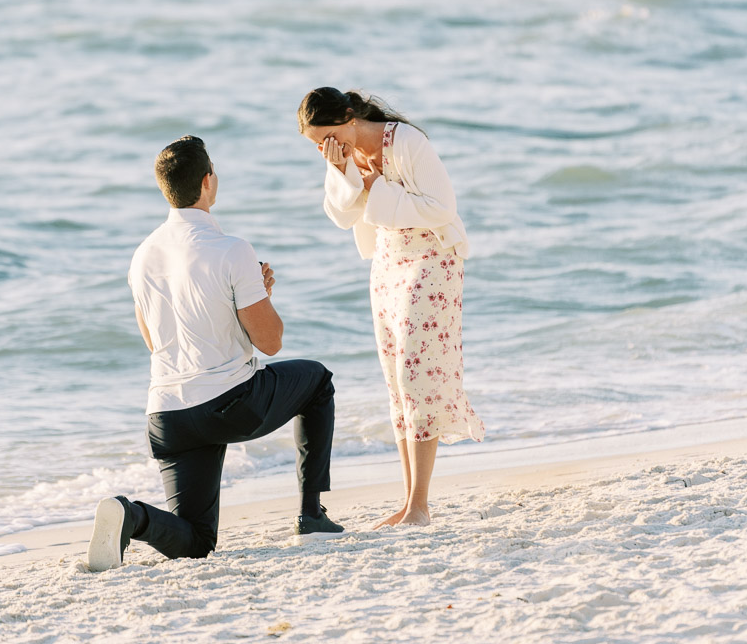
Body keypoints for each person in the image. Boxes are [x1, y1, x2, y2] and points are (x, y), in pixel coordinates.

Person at [87, 135, 343, 572]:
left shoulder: (142, 255)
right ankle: (311, 513)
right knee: (317, 381)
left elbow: (154, 340)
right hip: (230, 405)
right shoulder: (232, 249)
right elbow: (271, 342)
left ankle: (133, 516)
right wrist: (260, 296)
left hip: (167, 417)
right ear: (209, 182)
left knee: (198, 543)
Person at [297, 88, 484, 528]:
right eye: (317, 144)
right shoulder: (340, 155)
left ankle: (420, 506)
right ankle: (409, 502)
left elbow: (442, 209)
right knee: (396, 376)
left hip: (433, 256)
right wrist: (342, 170)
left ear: (349, 115)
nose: (327, 148)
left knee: (417, 373)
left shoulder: (407, 143)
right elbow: (342, 215)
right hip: (387, 259)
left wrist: (373, 186)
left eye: (330, 137)